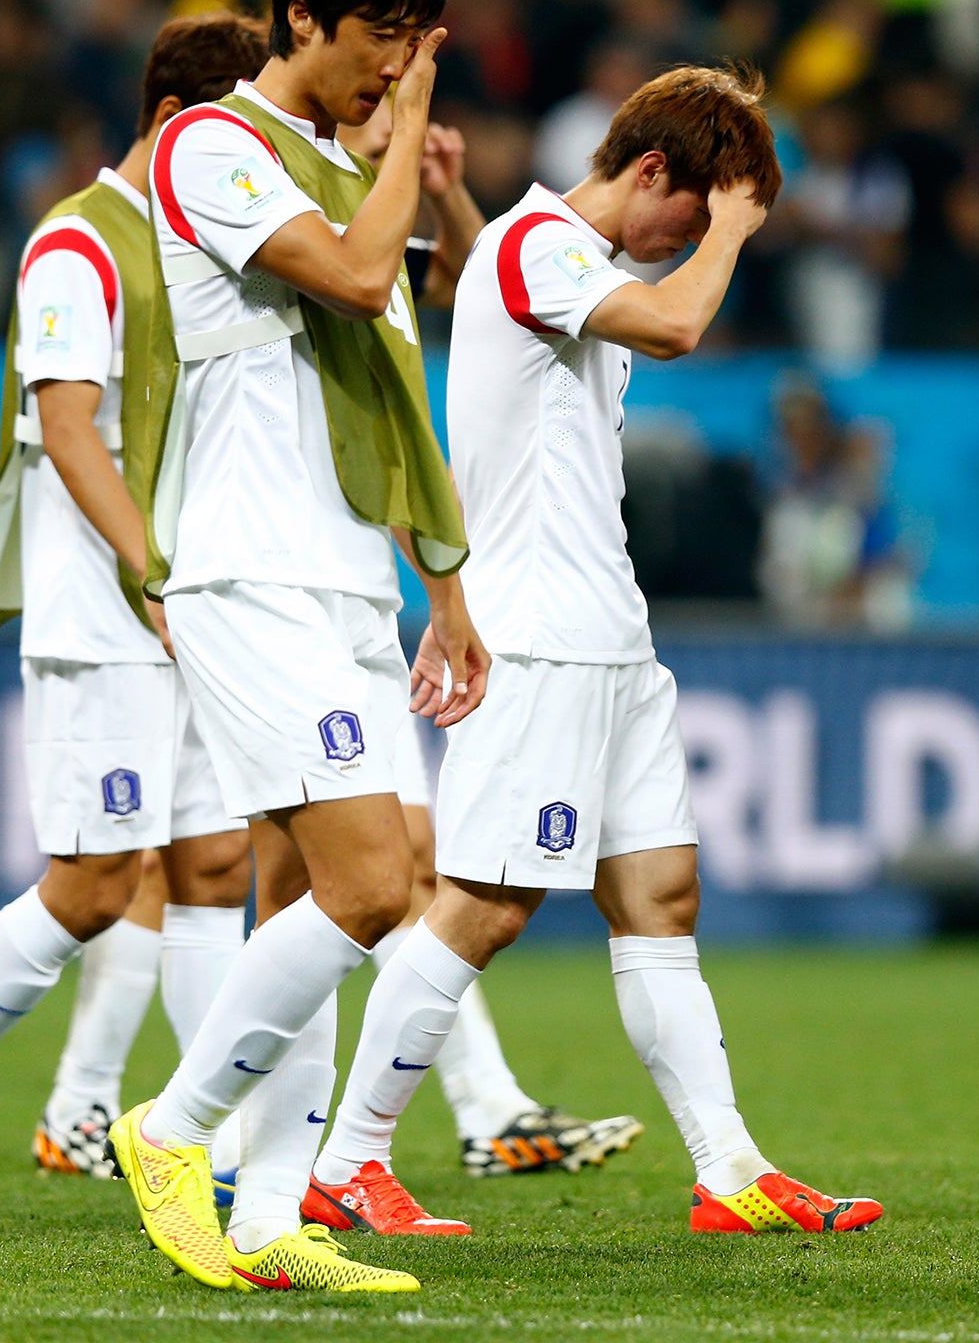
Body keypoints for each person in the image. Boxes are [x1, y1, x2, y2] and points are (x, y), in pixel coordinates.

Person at [302, 65, 884, 1240]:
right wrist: (734, 232)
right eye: (693, 215)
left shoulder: (548, 259)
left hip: (609, 636)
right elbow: (675, 328)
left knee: (659, 896)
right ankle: (347, 1162)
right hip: (537, 639)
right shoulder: (545, 249)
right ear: (653, 172)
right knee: (484, 903)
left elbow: (483, 299)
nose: (689, 244)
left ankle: (728, 1170)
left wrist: (451, 200)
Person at [108, 0, 486, 1296]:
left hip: (341, 581)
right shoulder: (215, 146)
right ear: (303, 18)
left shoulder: (337, 165)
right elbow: (362, 277)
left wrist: (442, 587)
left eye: (416, 40)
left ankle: (272, 1213)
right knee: (375, 885)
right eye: (380, 34)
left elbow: (393, 400)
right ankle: (171, 1130)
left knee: (314, 897)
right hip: (247, 572)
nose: (394, 63)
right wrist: (402, 142)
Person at [0, 13, 270, 1210]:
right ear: (179, 120)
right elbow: (71, 430)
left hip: (190, 611)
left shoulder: (200, 250)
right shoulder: (77, 245)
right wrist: (152, 573)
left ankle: (208, 1147)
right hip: (106, 620)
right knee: (94, 885)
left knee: (211, 865)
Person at [337, 98, 647, 1183]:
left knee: (402, 876)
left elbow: (481, 291)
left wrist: (447, 197)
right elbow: (377, 435)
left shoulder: (388, 240)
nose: (391, 128)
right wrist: (445, 589)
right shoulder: (314, 241)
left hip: (376, 588)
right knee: (342, 880)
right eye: (374, 107)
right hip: (317, 584)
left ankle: (479, 1112)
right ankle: (220, 1134)